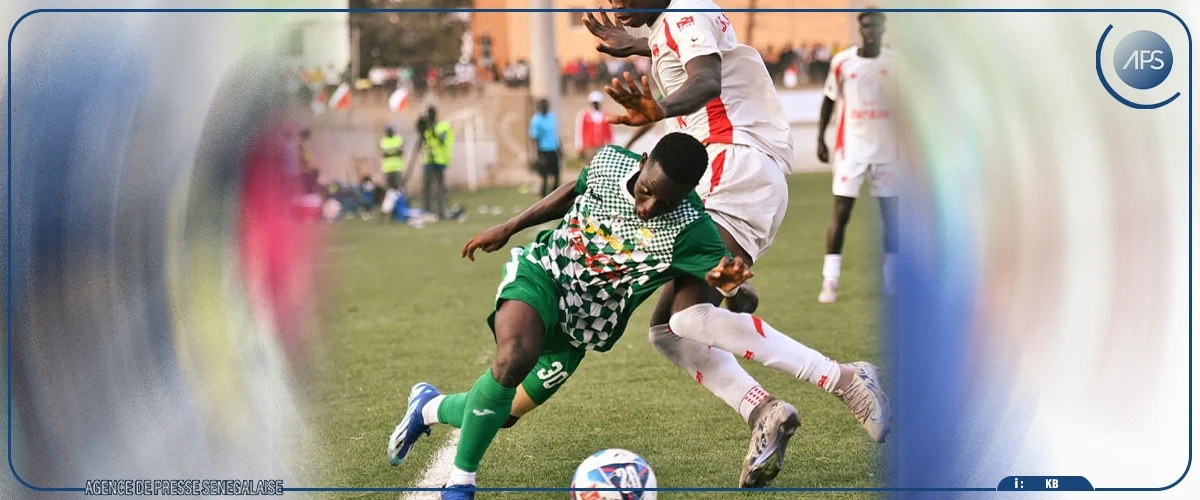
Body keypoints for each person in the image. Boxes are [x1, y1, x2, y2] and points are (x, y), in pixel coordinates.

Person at [585, 1, 890, 487]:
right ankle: (763, 410)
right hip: (733, 171)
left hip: (732, 165)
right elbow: (694, 42)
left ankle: (845, 380)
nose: (614, 4)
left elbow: (706, 78)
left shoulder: (684, 16)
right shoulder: (680, 18)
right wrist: (642, 43)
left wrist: (660, 106)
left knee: (688, 317)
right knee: (668, 332)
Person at [386, 133, 753, 499]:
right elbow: (573, 192)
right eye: (646, 191)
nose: (648, 207)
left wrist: (732, 288)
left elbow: (742, 302)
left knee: (505, 413)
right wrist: (510, 227)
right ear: (642, 163)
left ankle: (428, 407)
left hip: (583, 327)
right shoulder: (609, 163)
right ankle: (460, 485)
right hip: (544, 273)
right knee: (513, 358)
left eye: (664, 203)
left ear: (689, 193)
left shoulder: (692, 230)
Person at [816, 11, 898, 303]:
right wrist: (821, 138)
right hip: (851, 151)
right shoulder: (842, 63)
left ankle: (891, 279)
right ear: (860, 29)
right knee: (841, 214)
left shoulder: (895, 63)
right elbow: (828, 99)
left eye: (875, 26)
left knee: (890, 218)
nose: (870, 31)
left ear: (883, 28)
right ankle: (830, 281)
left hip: (889, 153)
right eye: (865, 26)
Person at [418, 106, 454, 219]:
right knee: (426, 186)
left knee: (439, 187)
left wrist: (433, 129)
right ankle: (427, 209)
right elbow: (422, 141)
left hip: (439, 161)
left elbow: (442, 139)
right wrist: (420, 127)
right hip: (428, 160)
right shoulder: (427, 128)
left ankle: (441, 210)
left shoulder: (442, 126)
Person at [527, 98, 561, 197]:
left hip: (553, 148)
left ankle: (555, 197)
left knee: (556, 175)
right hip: (543, 150)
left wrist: (560, 149)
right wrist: (537, 154)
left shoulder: (552, 116)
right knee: (545, 177)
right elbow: (534, 137)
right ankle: (543, 198)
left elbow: (555, 134)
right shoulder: (536, 120)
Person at [575, 91, 614, 163]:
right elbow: (579, 131)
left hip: (602, 147)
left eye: (597, 103)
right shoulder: (584, 115)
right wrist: (579, 147)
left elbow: (610, 132)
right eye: (594, 103)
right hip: (589, 147)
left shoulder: (606, 115)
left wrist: (611, 147)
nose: (595, 105)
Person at [380, 125, 406, 192]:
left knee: (400, 186)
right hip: (388, 168)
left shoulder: (398, 139)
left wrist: (389, 152)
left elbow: (400, 152)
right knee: (389, 188)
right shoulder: (384, 141)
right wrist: (394, 151)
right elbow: (383, 154)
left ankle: (401, 200)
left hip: (397, 168)